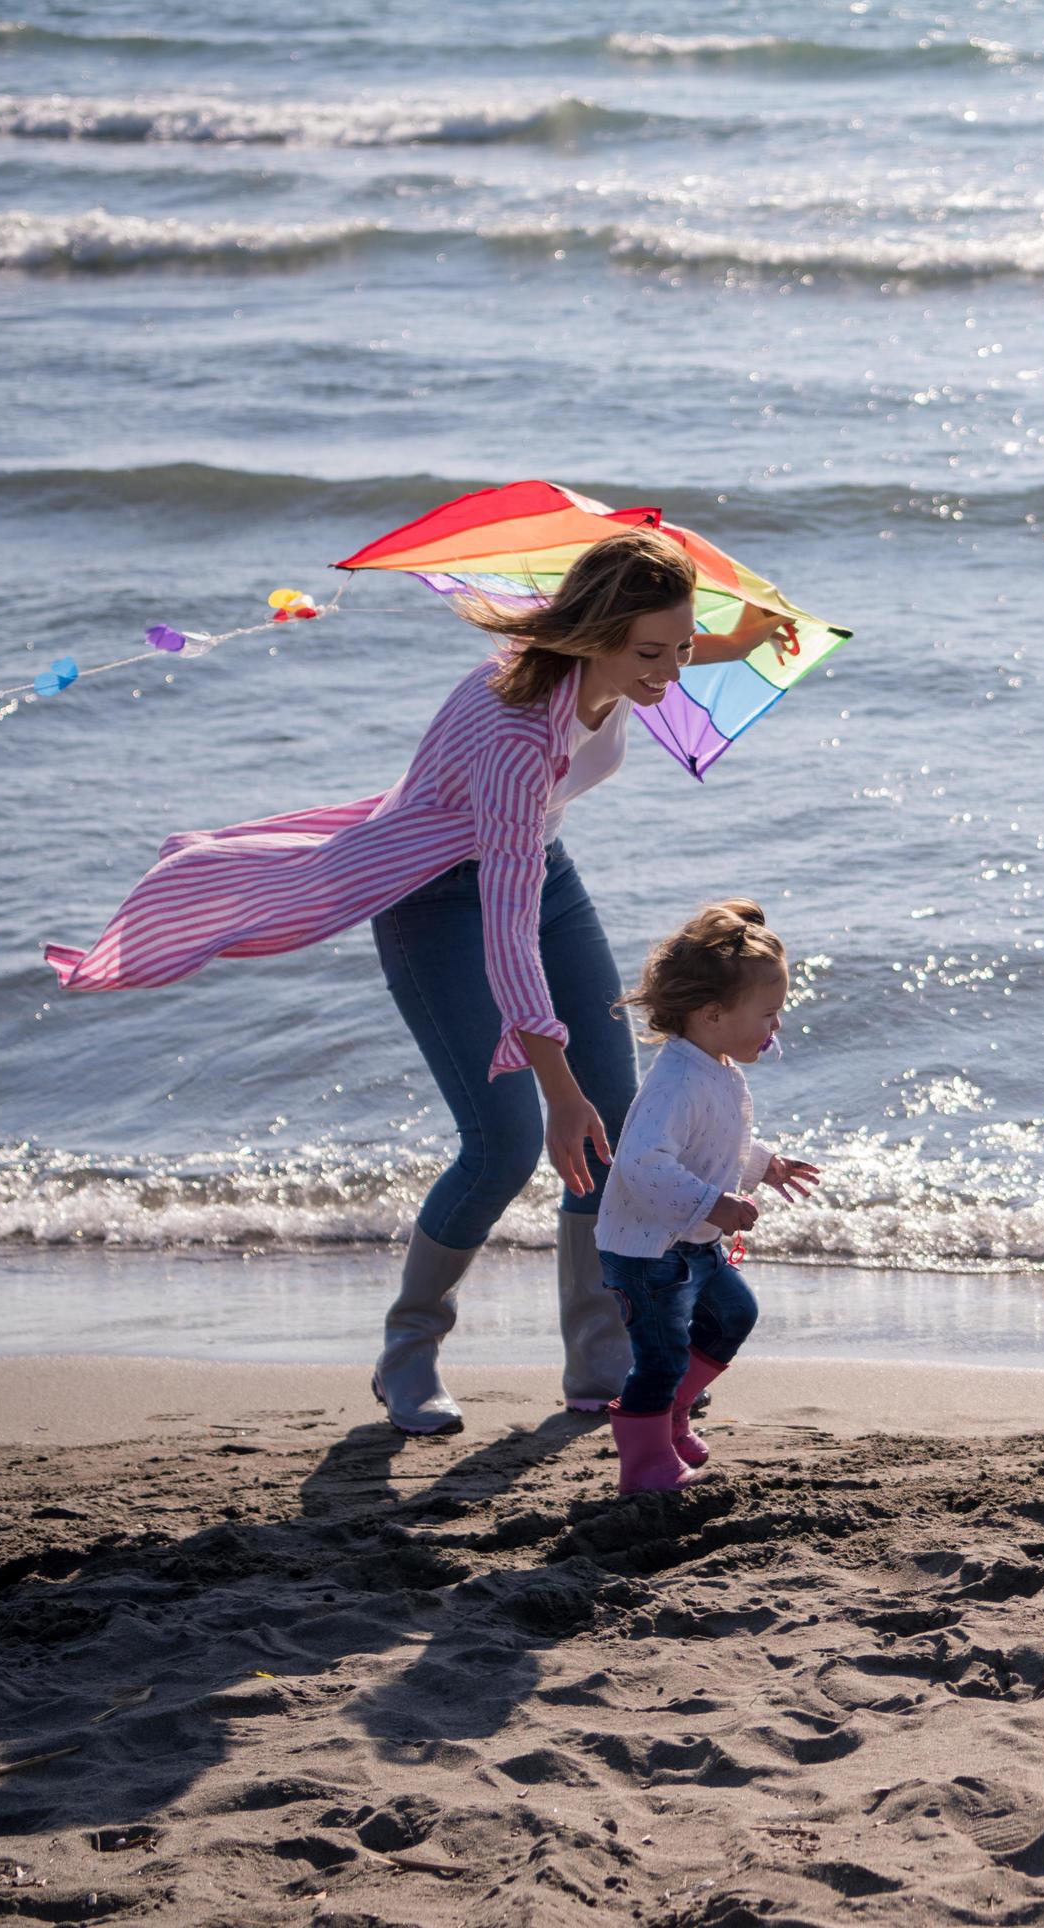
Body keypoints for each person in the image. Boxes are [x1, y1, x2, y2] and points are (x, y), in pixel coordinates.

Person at [44, 528, 799, 1435]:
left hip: (539, 870)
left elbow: (541, 862)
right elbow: (505, 933)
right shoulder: (520, 733)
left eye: (682, 646)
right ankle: (408, 1353)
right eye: (652, 652)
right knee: (509, 1144)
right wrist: (553, 1087)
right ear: (594, 634)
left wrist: (744, 637)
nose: (672, 671)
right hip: (435, 895)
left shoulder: (615, 661)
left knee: (613, 1120)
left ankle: (601, 1360)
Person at [595, 899, 818, 1494]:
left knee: (734, 1315)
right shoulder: (675, 1080)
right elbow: (642, 1164)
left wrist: (765, 1165)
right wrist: (713, 1205)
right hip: (647, 1251)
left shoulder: (714, 1065)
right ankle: (645, 1467)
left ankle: (670, 1417)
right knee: (661, 1356)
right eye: (768, 1015)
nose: (775, 1029)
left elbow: (715, 1144)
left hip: (688, 1241)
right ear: (713, 1013)